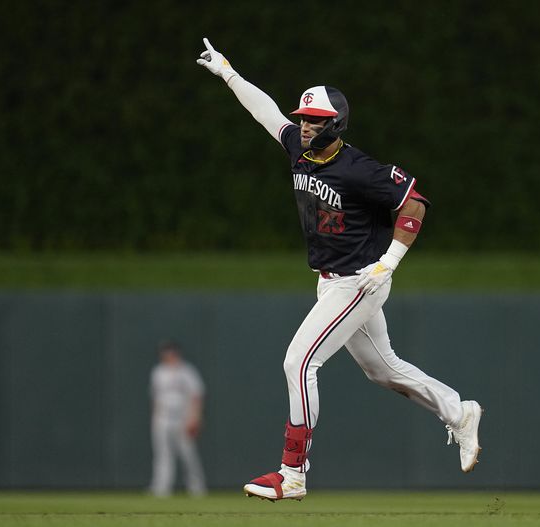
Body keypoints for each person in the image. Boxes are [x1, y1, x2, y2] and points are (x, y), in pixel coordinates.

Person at [196, 38, 482, 501]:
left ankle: (293, 473)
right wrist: (228, 72)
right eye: (305, 118)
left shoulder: (359, 169)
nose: (305, 125)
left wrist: (389, 262)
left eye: (316, 120)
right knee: (383, 370)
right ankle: (459, 411)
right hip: (331, 281)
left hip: (359, 280)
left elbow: (415, 202)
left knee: (299, 361)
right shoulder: (299, 148)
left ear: (337, 124)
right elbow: (265, 112)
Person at [149, 341, 207, 497]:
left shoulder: (187, 371)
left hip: (182, 418)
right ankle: (161, 489)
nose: (169, 355)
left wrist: (194, 418)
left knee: (188, 455)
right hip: (163, 418)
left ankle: (197, 488)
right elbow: (155, 399)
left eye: (171, 352)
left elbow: (196, 396)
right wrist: (155, 420)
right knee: (163, 455)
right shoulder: (158, 372)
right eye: (166, 352)